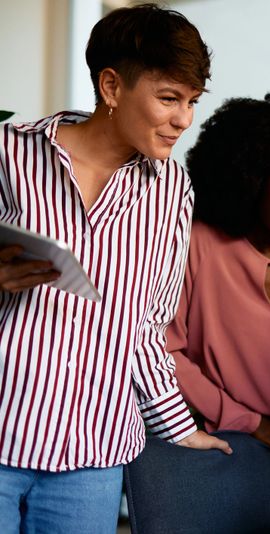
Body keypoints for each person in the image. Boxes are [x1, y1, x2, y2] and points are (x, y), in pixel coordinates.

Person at [0, 5, 229, 532]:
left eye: (192, 101)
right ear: (111, 85)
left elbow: (147, 326)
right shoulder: (10, 154)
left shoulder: (172, 189)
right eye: (169, 98)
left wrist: (177, 424)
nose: (184, 119)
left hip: (93, 451)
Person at [125, 94, 270, 533]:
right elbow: (163, 350)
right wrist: (255, 424)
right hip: (189, 430)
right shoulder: (197, 242)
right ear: (250, 178)